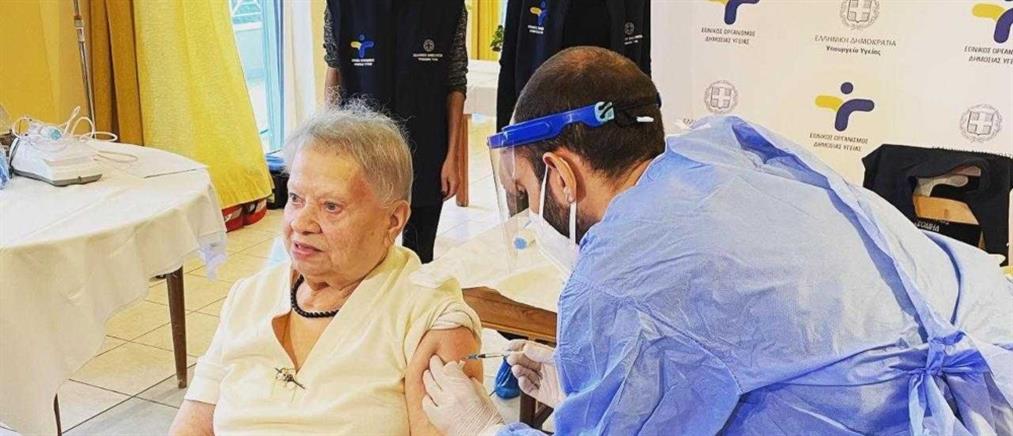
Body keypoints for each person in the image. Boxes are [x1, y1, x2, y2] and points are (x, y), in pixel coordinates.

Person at [420, 47, 1013, 435]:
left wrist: (484, 427)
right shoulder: (715, 154)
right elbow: (730, 343)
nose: (532, 214)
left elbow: (668, 321)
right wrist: (592, 387)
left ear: (562, 175)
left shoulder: (621, 282)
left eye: (528, 190)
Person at [169, 105, 482, 435]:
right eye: (295, 198)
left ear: (393, 220)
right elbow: (192, 426)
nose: (301, 223)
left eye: (331, 206)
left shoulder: (429, 318)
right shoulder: (249, 297)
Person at [323, 0, 469, 263]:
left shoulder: (449, 8)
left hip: (427, 147)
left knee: (419, 255)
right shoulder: (342, 6)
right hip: (361, 152)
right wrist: (328, 148)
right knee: (364, 254)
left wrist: (452, 157)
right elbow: (335, 71)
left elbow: (455, 82)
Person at [496, 0, 651, 132]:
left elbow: (641, 64)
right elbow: (510, 64)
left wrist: (649, 137)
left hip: (613, 130)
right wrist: (503, 144)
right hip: (542, 127)